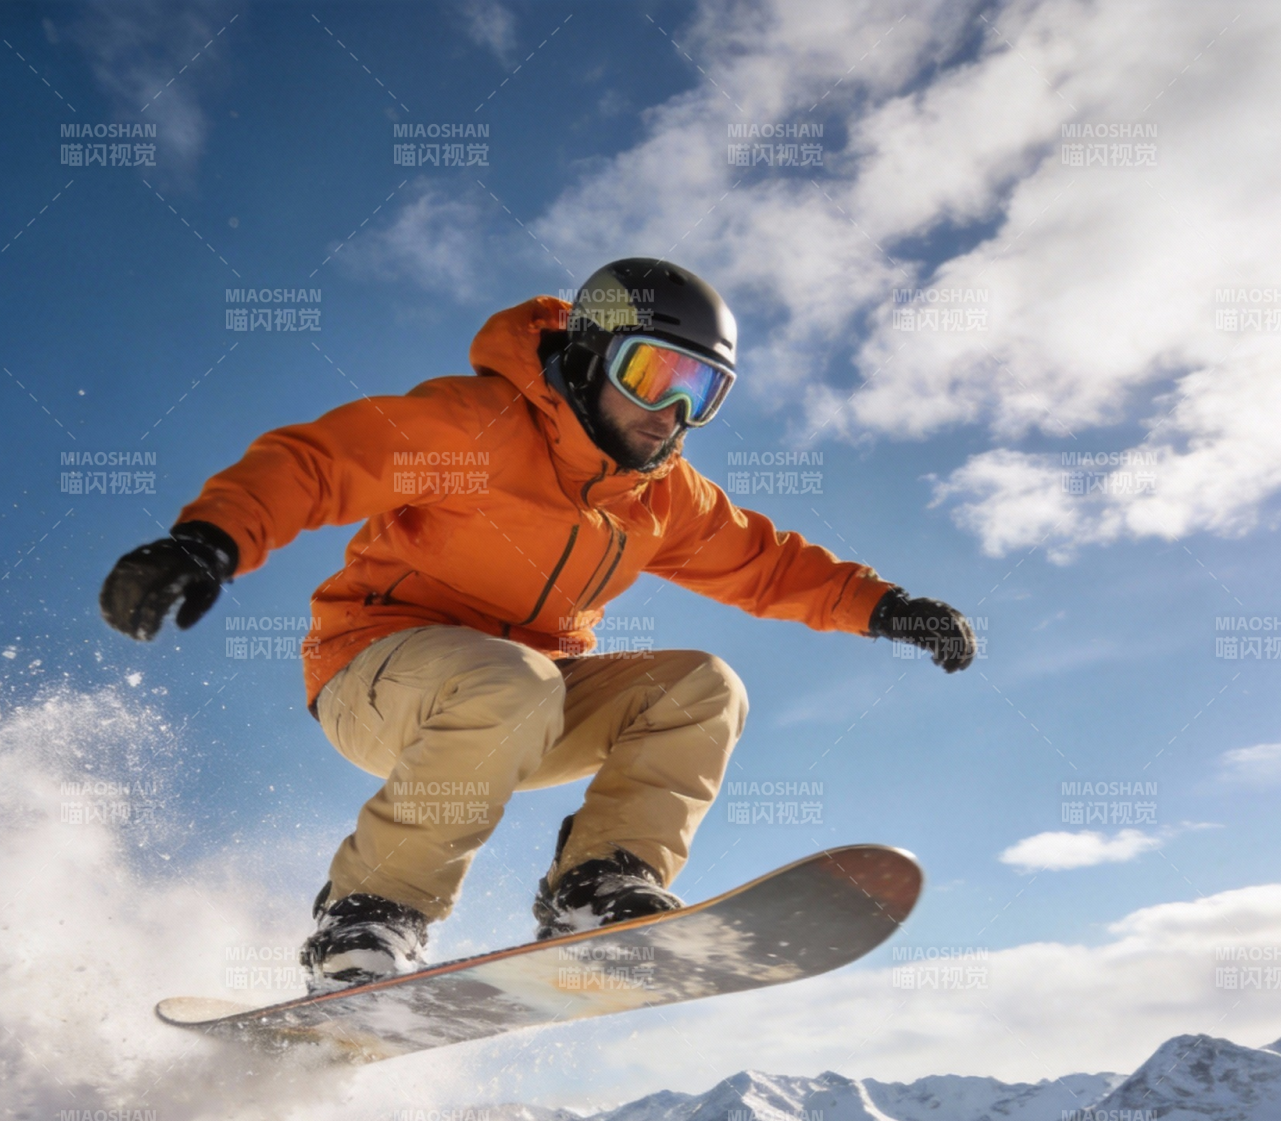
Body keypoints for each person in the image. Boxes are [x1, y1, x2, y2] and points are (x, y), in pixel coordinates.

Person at [100, 257, 975, 986]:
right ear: (590, 357)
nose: (670, 414)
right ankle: (368, 914)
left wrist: (887, 608)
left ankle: (601, 882)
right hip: (375, 674)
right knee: (508, 680)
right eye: (651, 375)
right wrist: (210, 540)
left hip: (525, 703)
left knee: (703, 686)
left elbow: (766, 562)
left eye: (700, 391)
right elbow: (323, 463)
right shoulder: (474, 428)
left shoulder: (661, 496)